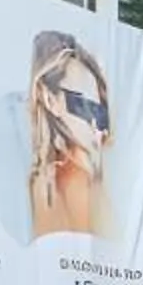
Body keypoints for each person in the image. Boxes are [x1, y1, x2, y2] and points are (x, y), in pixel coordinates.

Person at [27, 31, 112, 238]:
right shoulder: (72, 178)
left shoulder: (48, 179)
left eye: (99, 111)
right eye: (81, 105)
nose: (94, 123)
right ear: (49, 99)